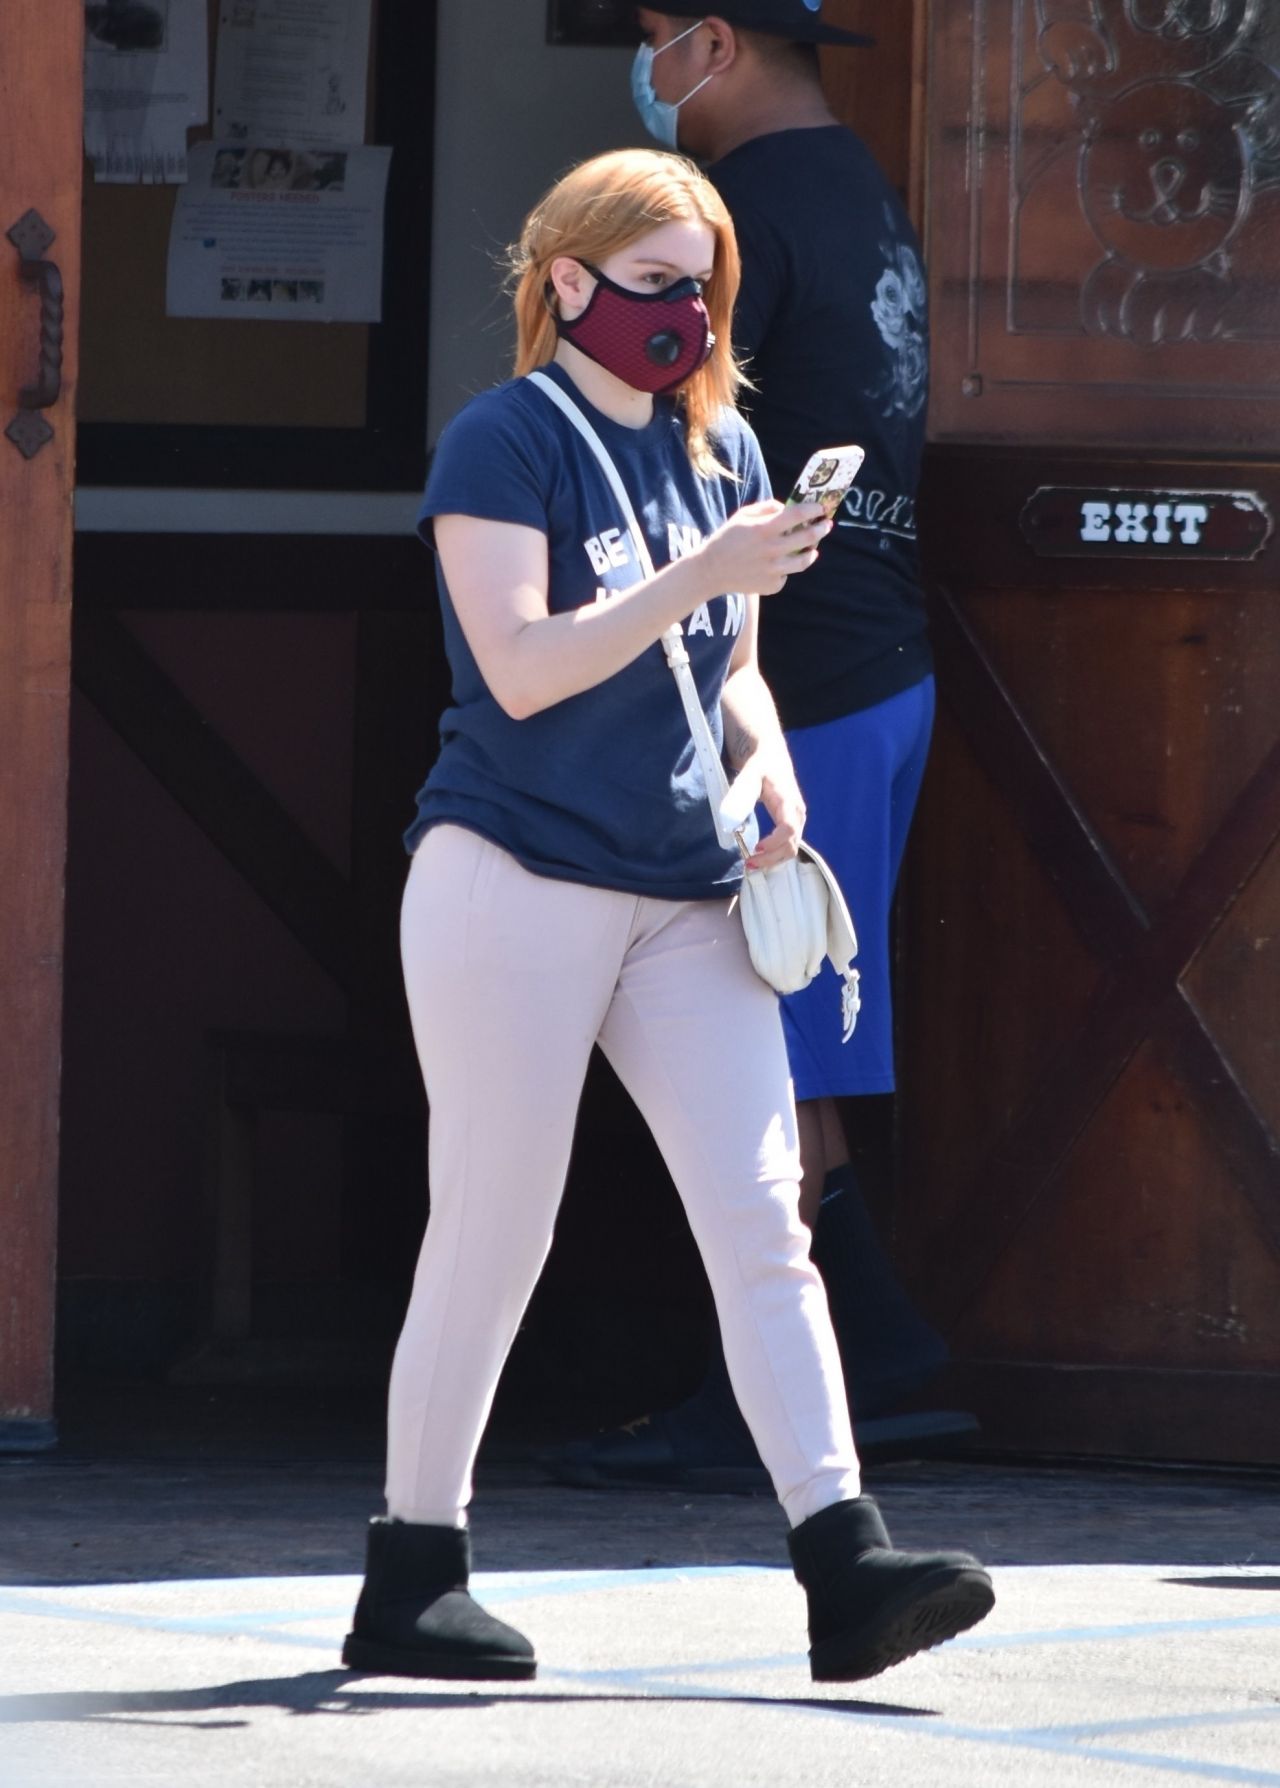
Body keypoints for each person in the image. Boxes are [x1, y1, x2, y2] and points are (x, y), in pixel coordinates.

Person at [341, 146, 993, 1685]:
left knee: (767, 1215)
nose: (684, 315)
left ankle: (845, 1558)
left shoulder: (724, 451)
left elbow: (737, 671)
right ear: (564, 284)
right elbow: (519, 667)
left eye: (702, 287)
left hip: (689, 887)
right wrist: (705, 565)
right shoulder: (506, 443)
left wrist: (771, 777)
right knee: (498, 1224)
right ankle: (412, 1564)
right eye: (651, 286)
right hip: (515, 873)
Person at [550, 2, 968, 1493]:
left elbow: (660, 450)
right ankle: (873, 1358)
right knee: (780, 1035)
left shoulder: (730, 222)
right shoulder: (860, 192)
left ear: (710, 46)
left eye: (653, 38)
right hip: (875, 664)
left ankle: (795, 1383)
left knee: (753, 1038)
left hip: (791, 681)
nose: (643, 68)